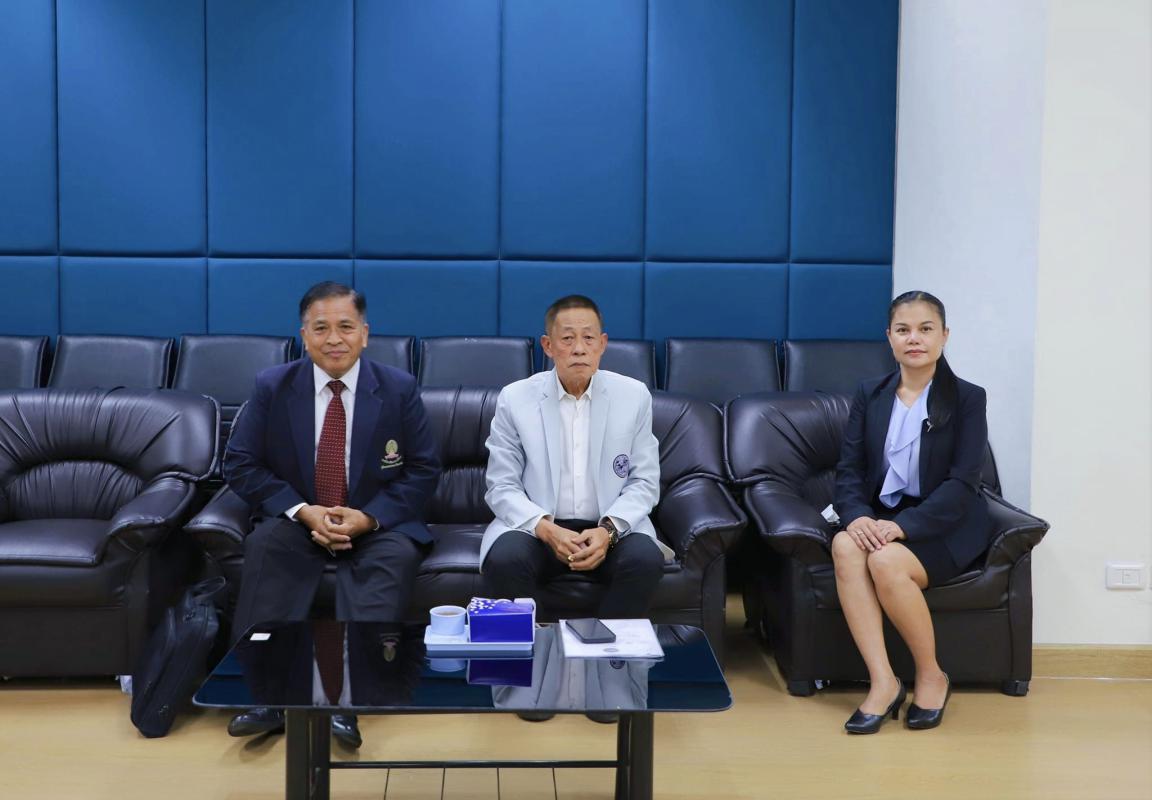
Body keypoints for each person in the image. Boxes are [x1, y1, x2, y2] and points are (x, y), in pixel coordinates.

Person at [222, 281, 440, 747]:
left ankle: (349, 705)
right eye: (321, 328)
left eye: (345, 326)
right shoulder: (273, 387)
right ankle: (268, 700)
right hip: (299, 519)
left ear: (365, 333)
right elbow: (240, 463)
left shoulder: (398, 389)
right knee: (265, 548)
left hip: (376, 523)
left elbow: (423, 469)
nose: (334, 339)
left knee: (392, 561)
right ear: (304, 336)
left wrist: (368, 518)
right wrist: (303, 511)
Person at [832, 290, 991, 734]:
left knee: (884, 561)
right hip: (884, 514)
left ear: (944, 335)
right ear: (889, 337)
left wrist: (902, 527)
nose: (914, 339)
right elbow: (849, 470)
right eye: (903, 330)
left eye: (925, 329)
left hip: (948, 520)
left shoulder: (967, 397)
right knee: (845, 546)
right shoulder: (870, 394)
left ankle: (931, 675)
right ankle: (883, 682)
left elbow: (963, 483)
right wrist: (857, 517)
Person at [481, 294, 672, 620]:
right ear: (548, 345)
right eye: (567, 339)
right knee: (505, 559)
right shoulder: (515, 399)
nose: (579, 349)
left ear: (603, 344)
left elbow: (644, 480)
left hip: (610, 526)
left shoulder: (633, 396)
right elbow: (501, 485)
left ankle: (610, 647)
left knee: (644, 559)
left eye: (588, 338)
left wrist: (608, 531)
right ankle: (537, 646)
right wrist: (546, 529)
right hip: (538, 529)